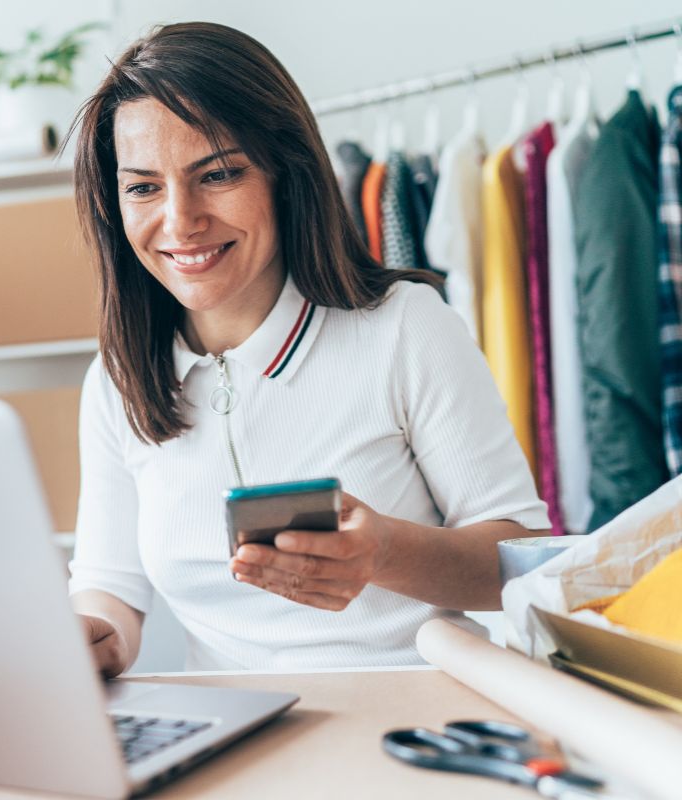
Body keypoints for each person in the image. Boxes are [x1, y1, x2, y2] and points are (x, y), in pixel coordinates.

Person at [66, 22, 550, 676]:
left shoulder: (406, 328)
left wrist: (383, 552)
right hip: (234, 732)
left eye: (218, 174)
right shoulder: (117, 381)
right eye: (144, 187)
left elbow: (520, 561)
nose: (180, 221)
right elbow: (110, 587)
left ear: (283, 174)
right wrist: (91, 638)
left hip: (411, 719)